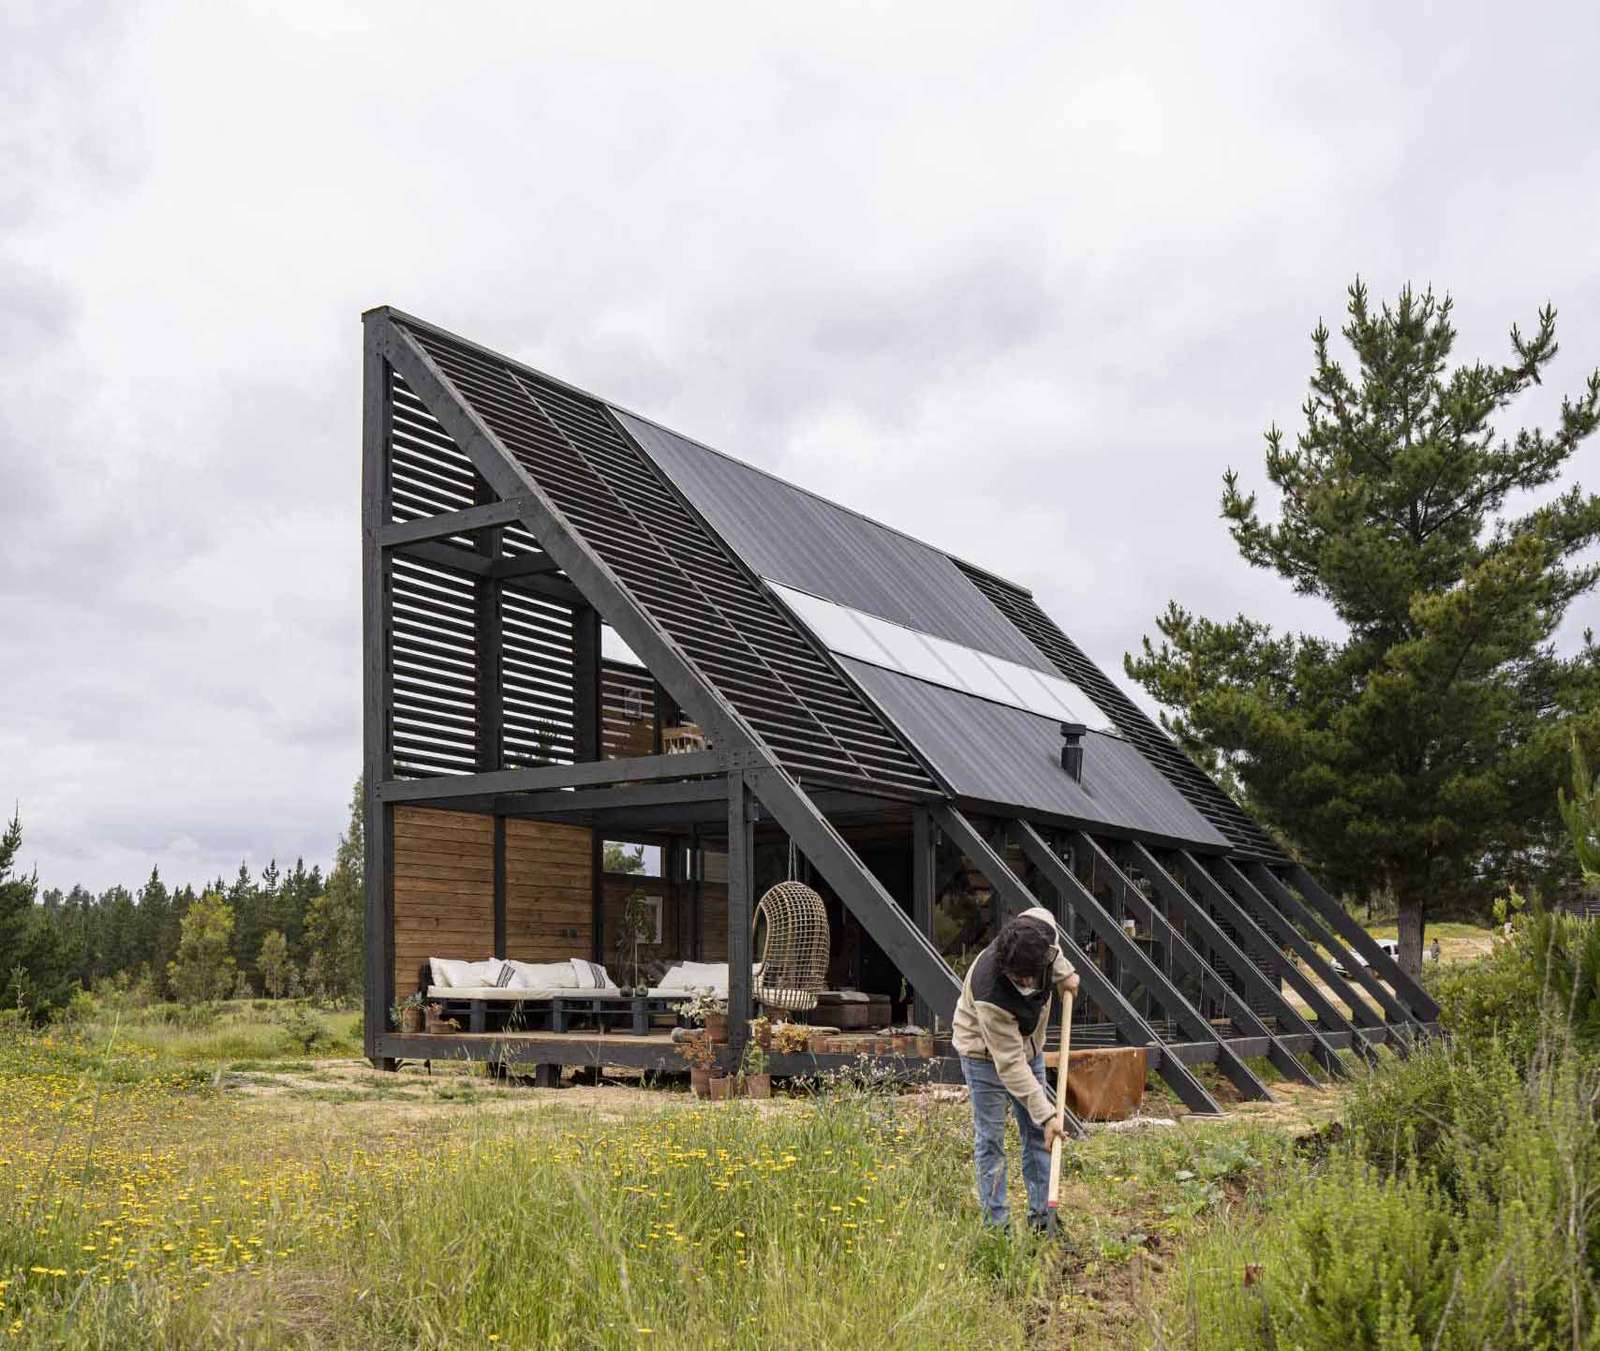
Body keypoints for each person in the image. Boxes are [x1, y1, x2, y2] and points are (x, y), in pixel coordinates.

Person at [952, 906, 1081, 1230]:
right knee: (991, 1141)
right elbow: (1009, 1065)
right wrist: (1049, 1114)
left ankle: (1043, 1222)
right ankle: (998, 1230)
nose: (1024, 982)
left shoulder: (1040, 932)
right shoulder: (990, 993)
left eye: (1028, 976)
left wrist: (1064, 974)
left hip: (1029, 1047)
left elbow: (1051, 937)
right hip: (984, 1056)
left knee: (1040, 1134)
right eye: (1017, 978)